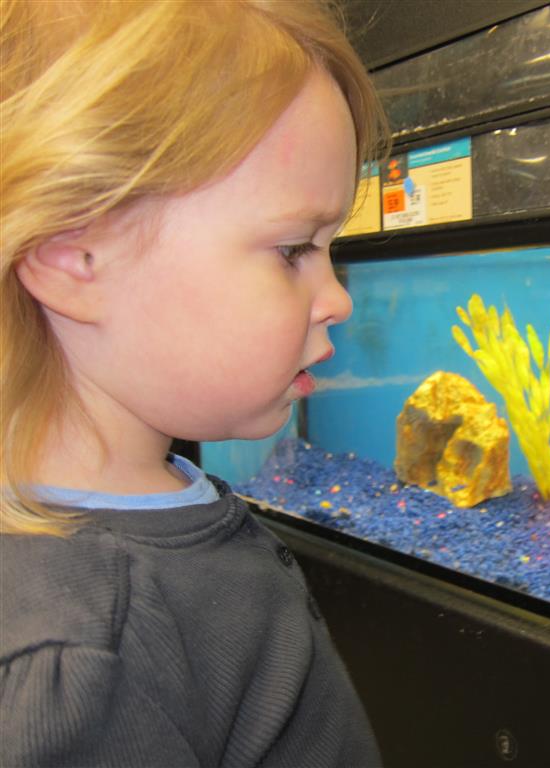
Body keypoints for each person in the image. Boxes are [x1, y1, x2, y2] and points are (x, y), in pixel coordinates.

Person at [0, 1, 389, 765]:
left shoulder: (162, 506)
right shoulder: (81, 669)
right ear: (75, 258)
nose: (338, 299)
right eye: (294, 249)